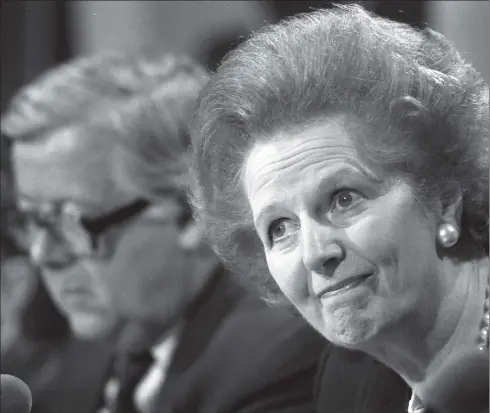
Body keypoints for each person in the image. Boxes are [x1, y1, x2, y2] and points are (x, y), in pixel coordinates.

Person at [189, 4, 489, 413]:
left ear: (443, 196)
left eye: (343, 199)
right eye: (279, 228)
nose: (316, 254)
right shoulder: (347, 378)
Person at [2, 50, 326, 413]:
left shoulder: (277, 357)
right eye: (32, 221)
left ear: (190, 213)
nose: (42, 254)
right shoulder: (82, 356)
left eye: (69, 222)